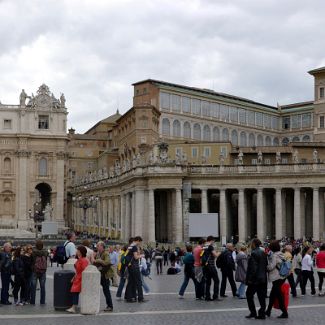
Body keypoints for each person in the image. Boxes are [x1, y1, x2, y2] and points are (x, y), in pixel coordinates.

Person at [245, 238, 268, 320]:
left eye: (252, 243)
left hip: (255, 280)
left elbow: (253, 269)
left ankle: (253, 312)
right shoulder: (263, 253)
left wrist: (249, 279)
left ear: (254, 244)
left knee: (249, 294)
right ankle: (262, 313)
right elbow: (266, 265)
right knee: (261, 296)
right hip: (263, 278)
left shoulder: (253, 253)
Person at [265, 240, 288, 319]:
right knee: (273, 294)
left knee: (279, 295)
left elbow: (271, 266)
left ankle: (284, 312)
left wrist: (265, 267)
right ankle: (268, 310)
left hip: (276, 277)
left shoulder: (274, 256)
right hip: (282, 276)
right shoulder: (281, 254)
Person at [66, 246, 89, 313]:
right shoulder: (80, 259)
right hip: (77, 278)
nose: (76, 251)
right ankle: (74, 306)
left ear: (81, 252)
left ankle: (74, 307)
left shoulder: (84, 260)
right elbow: (77, 270)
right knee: (74, 292)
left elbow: (85, 270)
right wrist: (74, 277)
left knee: (75, 292)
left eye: (77, 250)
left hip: (80, 278)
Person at [93, 241, 114, 311]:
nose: (97, 247)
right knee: (102, 290)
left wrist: (99, 260)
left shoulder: (106, 253)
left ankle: (110, 306)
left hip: (105, 275)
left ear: (102, 246)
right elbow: (95, 261)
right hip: (100, 274)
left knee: (106, 291)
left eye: (98, 246)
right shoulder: (98, 253)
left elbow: (107, 262)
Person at [124, 236, 145, 303]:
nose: (140, 243)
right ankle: (140, 298)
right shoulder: (134, 247)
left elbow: (131, 255)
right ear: (138, 240)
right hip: (135, 267)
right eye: (140, 242)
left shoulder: (130, 246)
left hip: (130, 266)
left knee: (131, 282)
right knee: (139, 282)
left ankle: (129, 298)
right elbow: (136, 257)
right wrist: (142, 256)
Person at [202, 236, 220, 301]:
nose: (214, 242)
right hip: (211, 266)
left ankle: (207, 296)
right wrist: (219, 252)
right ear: (211, 240)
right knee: (216, 281)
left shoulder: (204, 246)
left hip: (205, 266)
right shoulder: (210, 246)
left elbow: (202, 255)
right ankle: (215, 296)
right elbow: (215, 255)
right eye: (213, 241)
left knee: (208, 282)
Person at [30, 240, 48, 305]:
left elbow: (31, 261)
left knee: (33, 287)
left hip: (35, 271)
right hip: (43, 271)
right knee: (42, 287)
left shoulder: (33, 252)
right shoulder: (46, 252)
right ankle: (42, 301)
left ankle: (32, 301)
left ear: (36, 245)